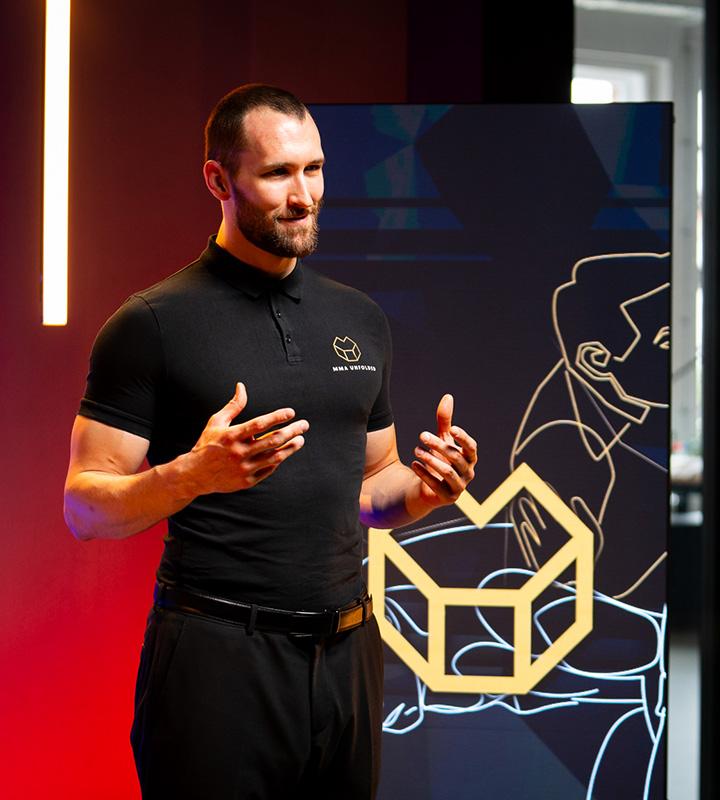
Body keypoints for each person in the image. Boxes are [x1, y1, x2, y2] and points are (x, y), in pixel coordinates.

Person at [64, 84, 478, 800]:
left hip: (349, 652)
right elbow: (85, 510)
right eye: (277, 174)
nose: (304, 196)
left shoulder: (360, 318)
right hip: (219, 662)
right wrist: (192, 474)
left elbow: (369, 494)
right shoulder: (153, 324)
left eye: (314, 170)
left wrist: (425, 490)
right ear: (219, 181)